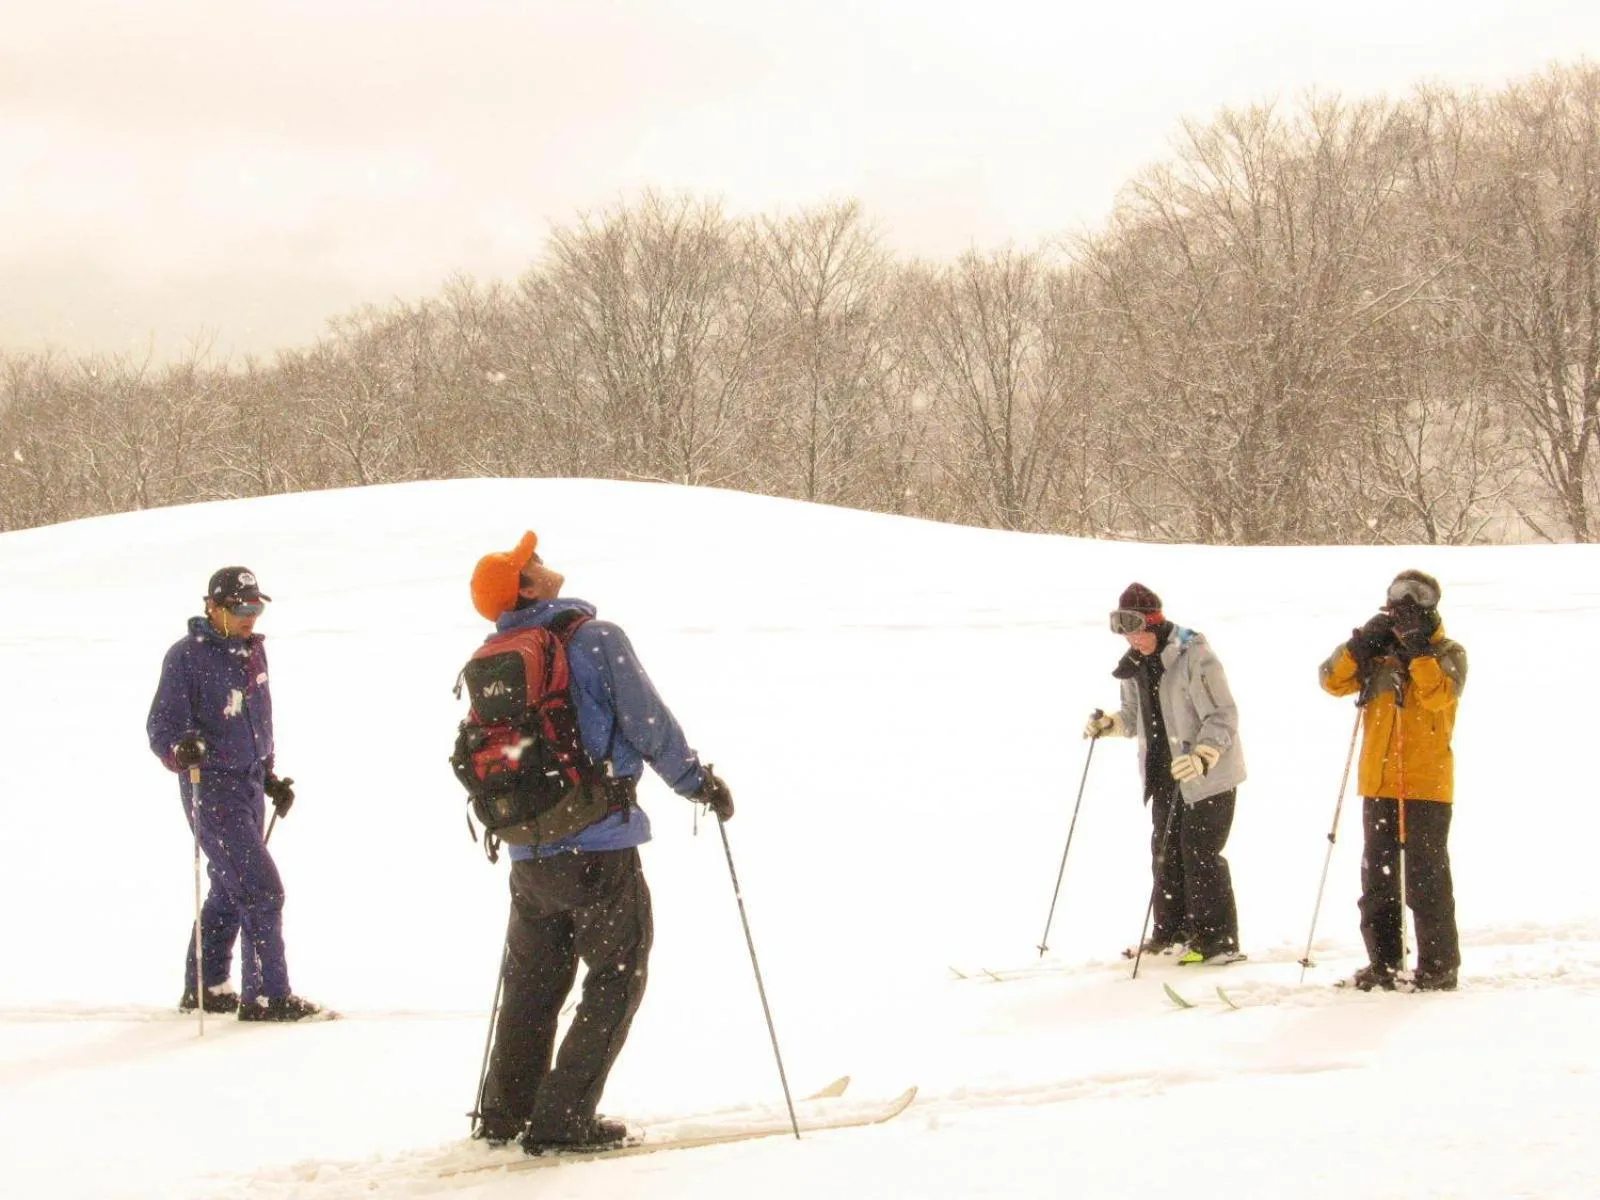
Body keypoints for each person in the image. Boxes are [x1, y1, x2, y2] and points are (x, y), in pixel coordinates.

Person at [469, 531, 734, 1154]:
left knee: (534, 983)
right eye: (529, 562)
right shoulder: (593, 638)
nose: (540, 561)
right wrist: (696, 783)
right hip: (598, 841)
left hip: (529, 851)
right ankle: (563, 1120)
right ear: (527, 586)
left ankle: (505, 1113)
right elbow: (648, 723)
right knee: (617, 976)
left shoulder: (492, 654)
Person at [146, 566, 321, 1021]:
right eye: (242, 608)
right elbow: (161, 727)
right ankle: (267, 997)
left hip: (246, 786)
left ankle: (206, 987)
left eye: (257, 607)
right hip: (211, 790)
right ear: (213, 607)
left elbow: (257, 721)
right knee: (262, 890)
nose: (251, 616)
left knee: (230, 885)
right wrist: (180, 748)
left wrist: (268, 777)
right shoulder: (186, 657)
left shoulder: (252, 654)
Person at [1319, 569, 1466, 992]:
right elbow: (1332, 681)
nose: (1405, 603)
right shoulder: (1377, 654)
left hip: (1427, 784)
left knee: (1426, 881)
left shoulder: (1449, 652)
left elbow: (1439, 696)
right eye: (1399, 595)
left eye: (1416, 596)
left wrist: (1419, 651)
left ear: (1432, 604)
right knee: (1378, 882)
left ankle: (1439, 967)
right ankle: (1383, 963)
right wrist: (1358, 645)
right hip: (1378, 783)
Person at [1085, 583, 1246, 965]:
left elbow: (1223, 715)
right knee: (1165, 854)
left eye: (1137, 630)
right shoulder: (1134, 665)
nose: (1131, 640)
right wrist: (1110, 724)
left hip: (1208, 776)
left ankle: (1217, 943)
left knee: (1200, 854)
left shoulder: (1194, 655)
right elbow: (1133, 718)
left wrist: (1205, 754)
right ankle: (1171, 933)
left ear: (1154, 623)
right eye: (1124, 632)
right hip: (1165, 773)